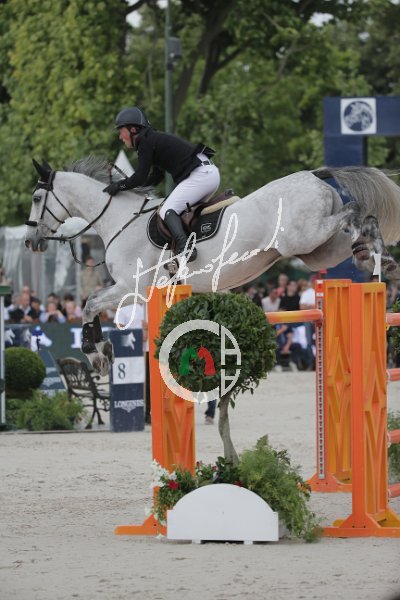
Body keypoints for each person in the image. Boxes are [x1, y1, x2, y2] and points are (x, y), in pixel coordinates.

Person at [104, 106, 220, 265]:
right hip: (208, 173)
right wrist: (134, 189)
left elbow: (139, 177)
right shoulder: (152, 139)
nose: (120, 137)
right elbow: (155, 177)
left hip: (200, 176)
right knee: (184, 214)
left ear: (133, 129)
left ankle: (186, 248)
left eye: (121, 131)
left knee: (166, 210)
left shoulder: (144, 142)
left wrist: (119, 186)